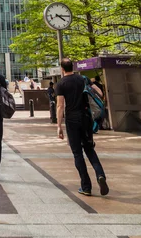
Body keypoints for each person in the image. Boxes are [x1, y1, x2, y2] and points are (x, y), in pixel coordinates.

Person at [56, 58, 109, 197]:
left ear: (62, 68)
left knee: (77, 153)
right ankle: (100, 175)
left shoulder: (61, 83)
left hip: (72, 119)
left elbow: (60, 105)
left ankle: (86, 186)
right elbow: (100, 93)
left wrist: (59, 126)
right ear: (72, 66)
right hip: (86, 117)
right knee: (89, 148)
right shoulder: (83, 79)